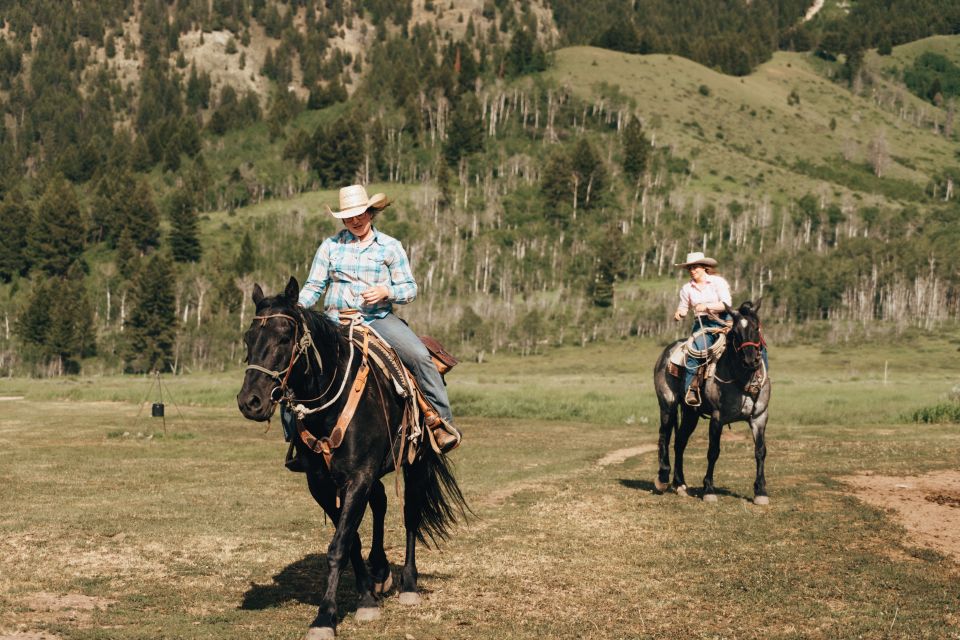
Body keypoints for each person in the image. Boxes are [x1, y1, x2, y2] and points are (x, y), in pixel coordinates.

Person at [293, 184, 460, 457]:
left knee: (419, 357)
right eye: (349, 217)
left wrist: (387, 291)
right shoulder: (330, 247)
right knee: (296, 365)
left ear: (370, 213)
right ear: (343, 220)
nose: (355, 221)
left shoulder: (390, 247)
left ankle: (441, 423)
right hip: (334, 322)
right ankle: (298, 441)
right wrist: (296, 307)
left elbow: (410, 289)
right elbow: (314, 286)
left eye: (360, 214)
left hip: (376, 319)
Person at [673, 252, 732, 406]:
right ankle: (691, 389)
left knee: (749, 343)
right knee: (695, 351)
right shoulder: (686, 289)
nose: (692, 270)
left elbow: (726, 304)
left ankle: (757, 380)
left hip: (724, 320)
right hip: (703, 325)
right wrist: (680, 313)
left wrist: (706, 306)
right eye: (690, 268)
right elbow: (683, 306)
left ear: (704, 267)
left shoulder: (718, 282)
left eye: (695, 267)